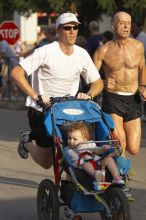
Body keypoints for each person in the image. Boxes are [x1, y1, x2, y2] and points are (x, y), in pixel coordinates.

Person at [11, 12, 103, 171]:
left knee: (76, 149)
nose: (72, 31)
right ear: (59, 31)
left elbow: (98, 82)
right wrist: (36, 96)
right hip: (42, 109)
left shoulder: (82, 54)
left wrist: (89, 95)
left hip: (69, 110)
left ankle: (71, 185)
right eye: (68, 28)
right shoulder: (46, 51)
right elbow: (16, 73)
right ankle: (26, 142)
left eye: (75, 27)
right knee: (46, 162)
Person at [93, 11, 146, 156]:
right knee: (120, 140)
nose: (126, 27)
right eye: (122, 23)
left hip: (133, 98)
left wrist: (143, 86)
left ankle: (116, 163)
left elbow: (142, 67)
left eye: (128, 23)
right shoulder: (103, 50)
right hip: (112, 98)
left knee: (134, 149)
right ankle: (121, 174)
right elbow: (90, 76)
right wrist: (103, 82)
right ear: (113, 26)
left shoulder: (138, 46)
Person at [67, 122, 124, 190]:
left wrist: (103, 149)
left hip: (97, 162)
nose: (71, 141)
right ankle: (96, 175)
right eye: (69, 138)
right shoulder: (70, 150)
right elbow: (76, 161)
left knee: (109, 159)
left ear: (84, 139)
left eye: (75, 139)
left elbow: (97, 151)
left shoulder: (89, 144)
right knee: (86, 164)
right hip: (84, 166)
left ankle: (116, 177)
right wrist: (77, 149)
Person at [131, 21, 146, 122]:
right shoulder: (134, 37)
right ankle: (142, 113)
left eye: (134, 27)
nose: (132, 29)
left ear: (139, 27)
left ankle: (143, 114)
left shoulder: (142, 37)